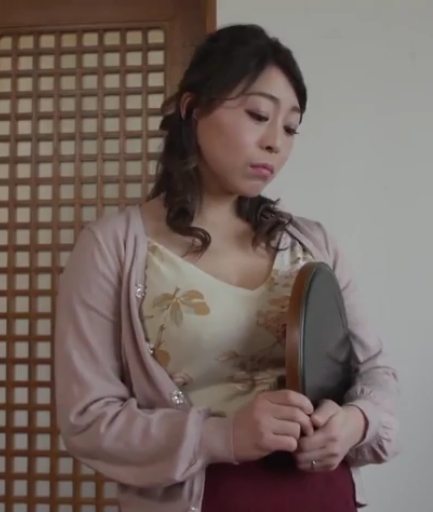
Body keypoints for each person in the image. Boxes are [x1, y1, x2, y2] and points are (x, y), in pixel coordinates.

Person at [54, 23, 400, 512]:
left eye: (290, 127)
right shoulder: (113, 247)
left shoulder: (314, 244)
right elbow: (88, 421)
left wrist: (355, 422)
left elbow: (375, 373)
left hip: (324, 496)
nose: (275, 142)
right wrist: (225, 436)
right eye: (258, 115)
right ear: (193, 109)